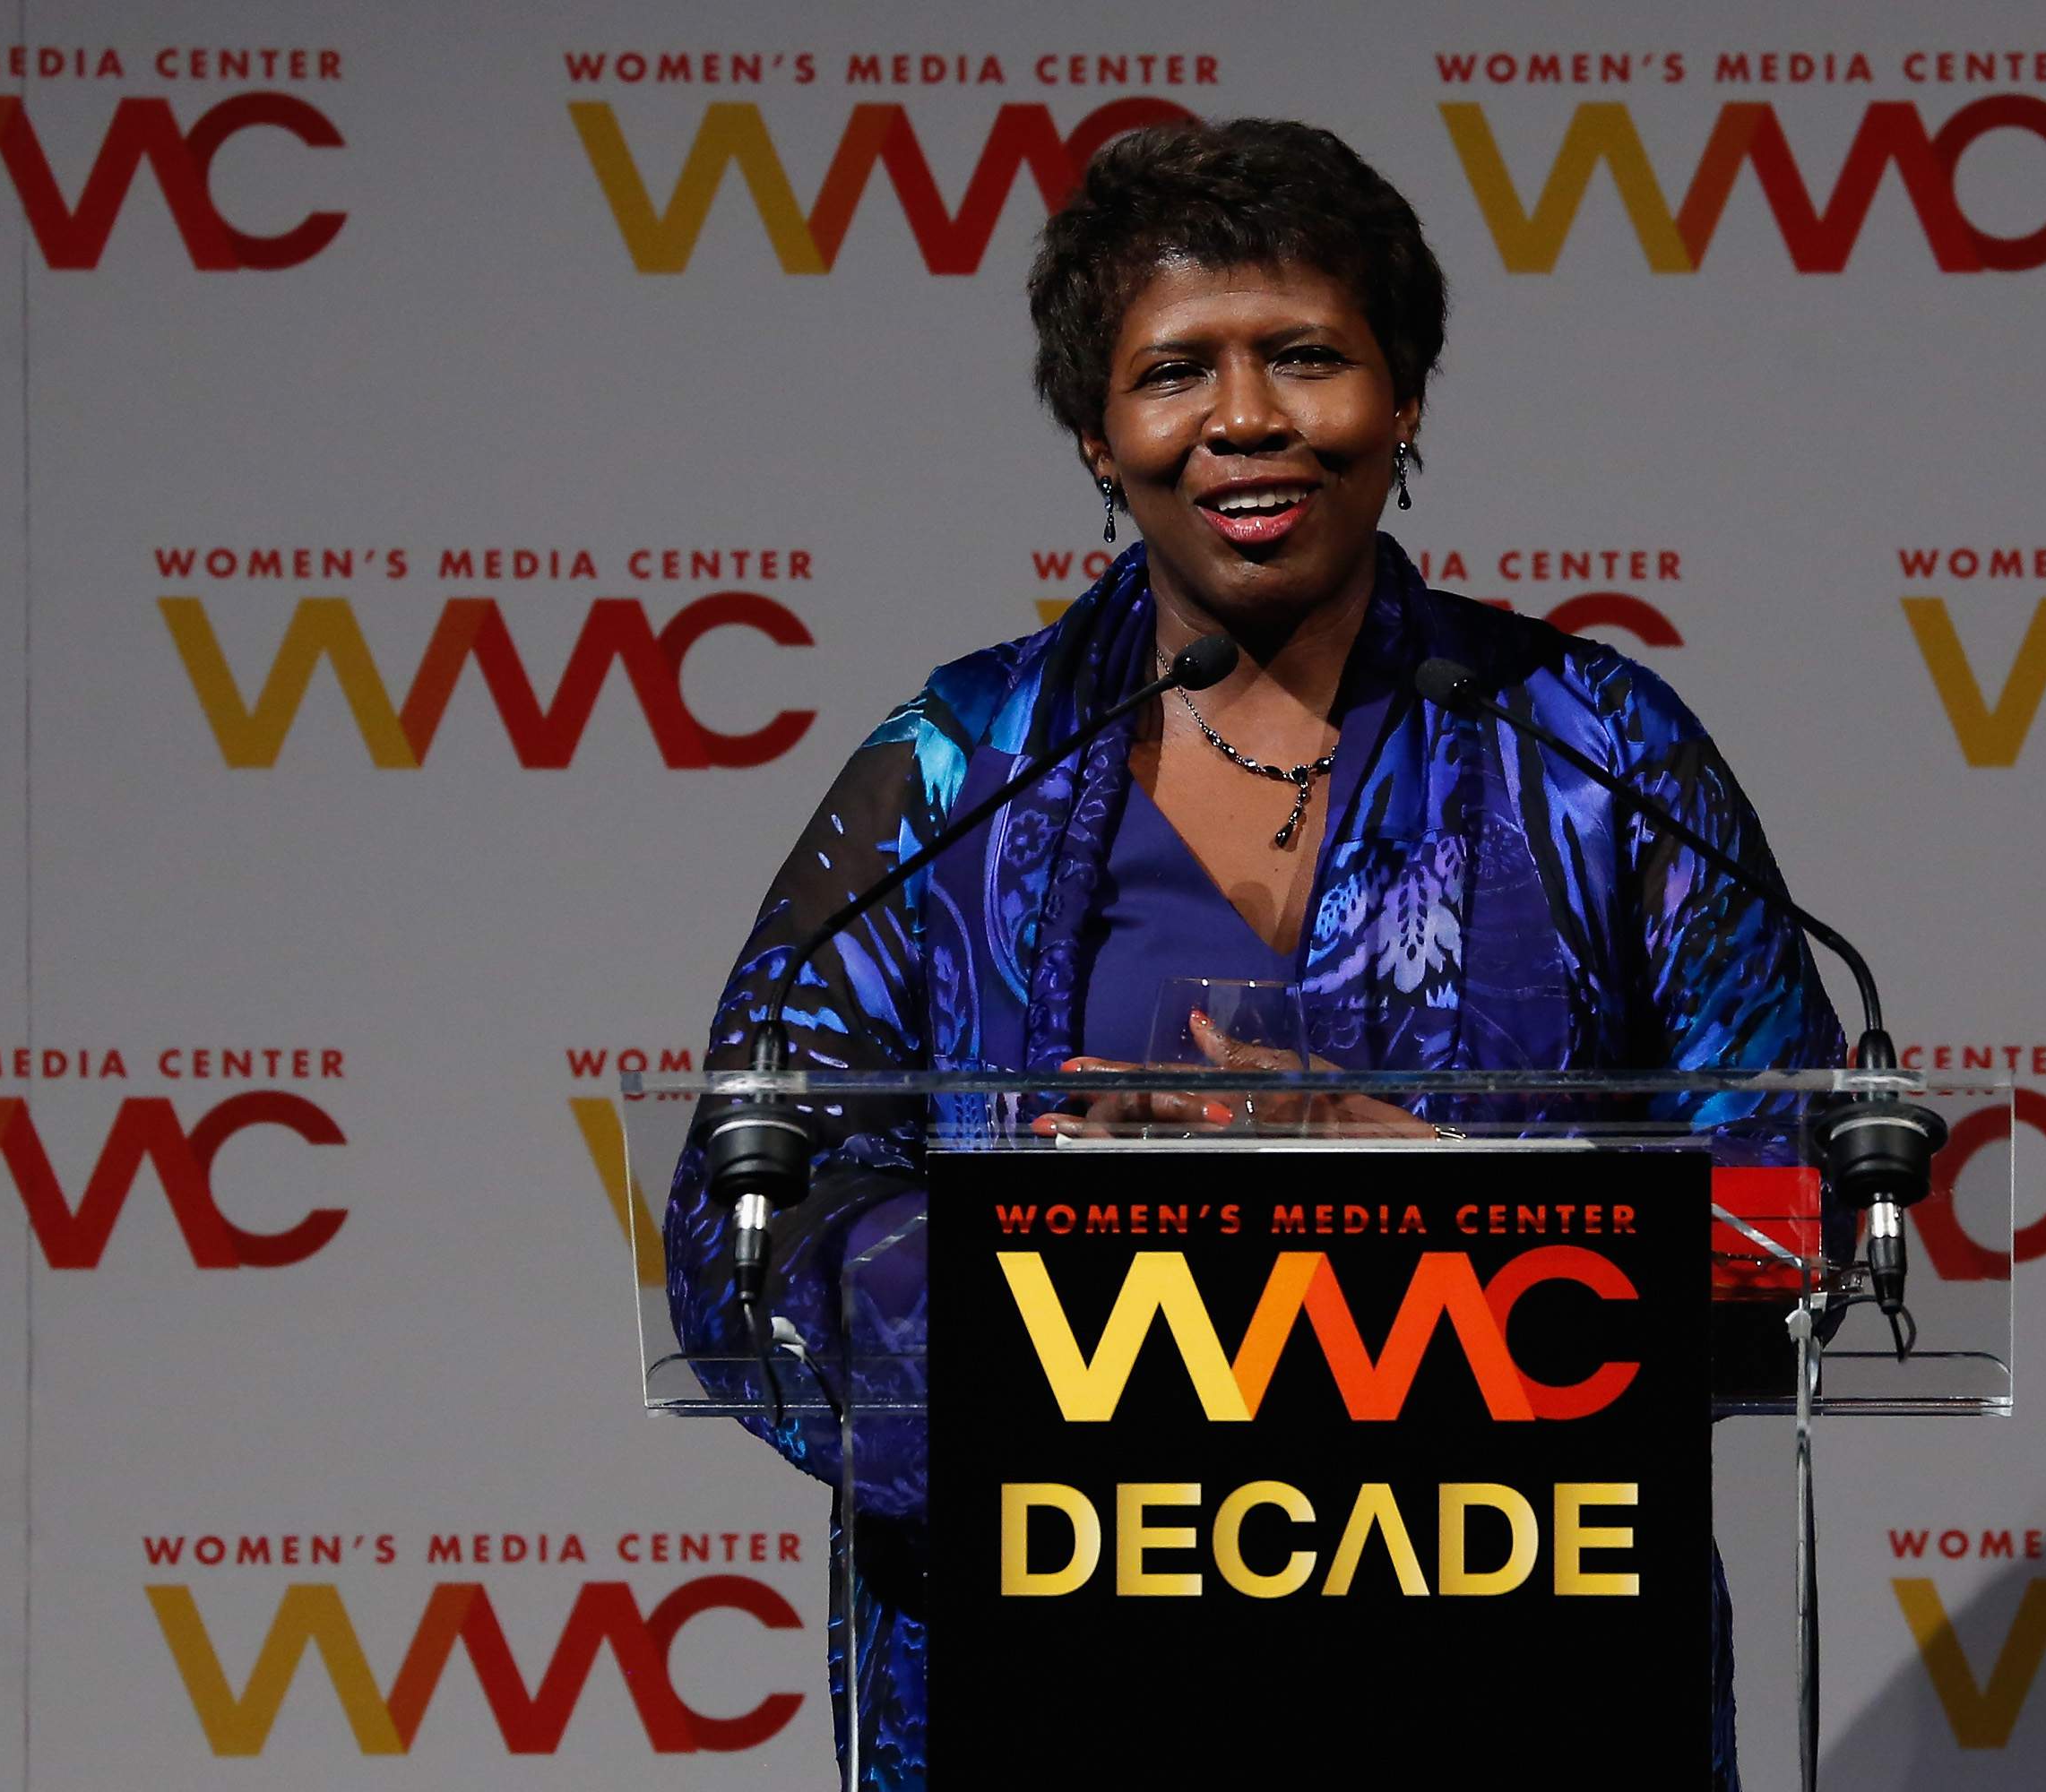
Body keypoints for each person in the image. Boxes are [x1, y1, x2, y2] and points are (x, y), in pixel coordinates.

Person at [667, 116, 1840, 1790]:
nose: (1243, 419)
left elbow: (1791, 1214)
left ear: (1404, 398)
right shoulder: (957, 768)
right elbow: (747, 1206)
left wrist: (1441, 1198)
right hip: (1069, 1666)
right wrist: (1089, 1283)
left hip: (1513, 1667)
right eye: (1174, 372)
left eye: (1305, 355)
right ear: (1099, 434)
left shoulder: (1595, 750)